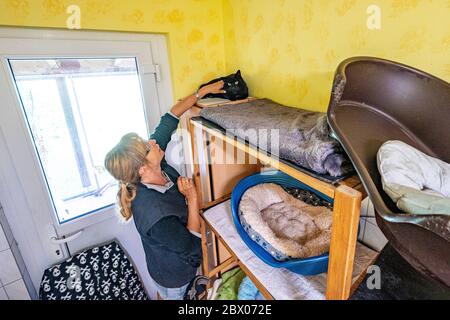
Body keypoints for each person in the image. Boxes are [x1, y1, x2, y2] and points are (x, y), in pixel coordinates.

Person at [104, 80, 225, 299]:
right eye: (147, 146)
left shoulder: (151, 163)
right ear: (142, 169)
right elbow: (193, 249)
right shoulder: (155, 216)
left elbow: (170, 118)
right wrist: (193, 198)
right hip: (174, 277)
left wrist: (201, 93)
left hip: (162, 259)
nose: (153, 142)